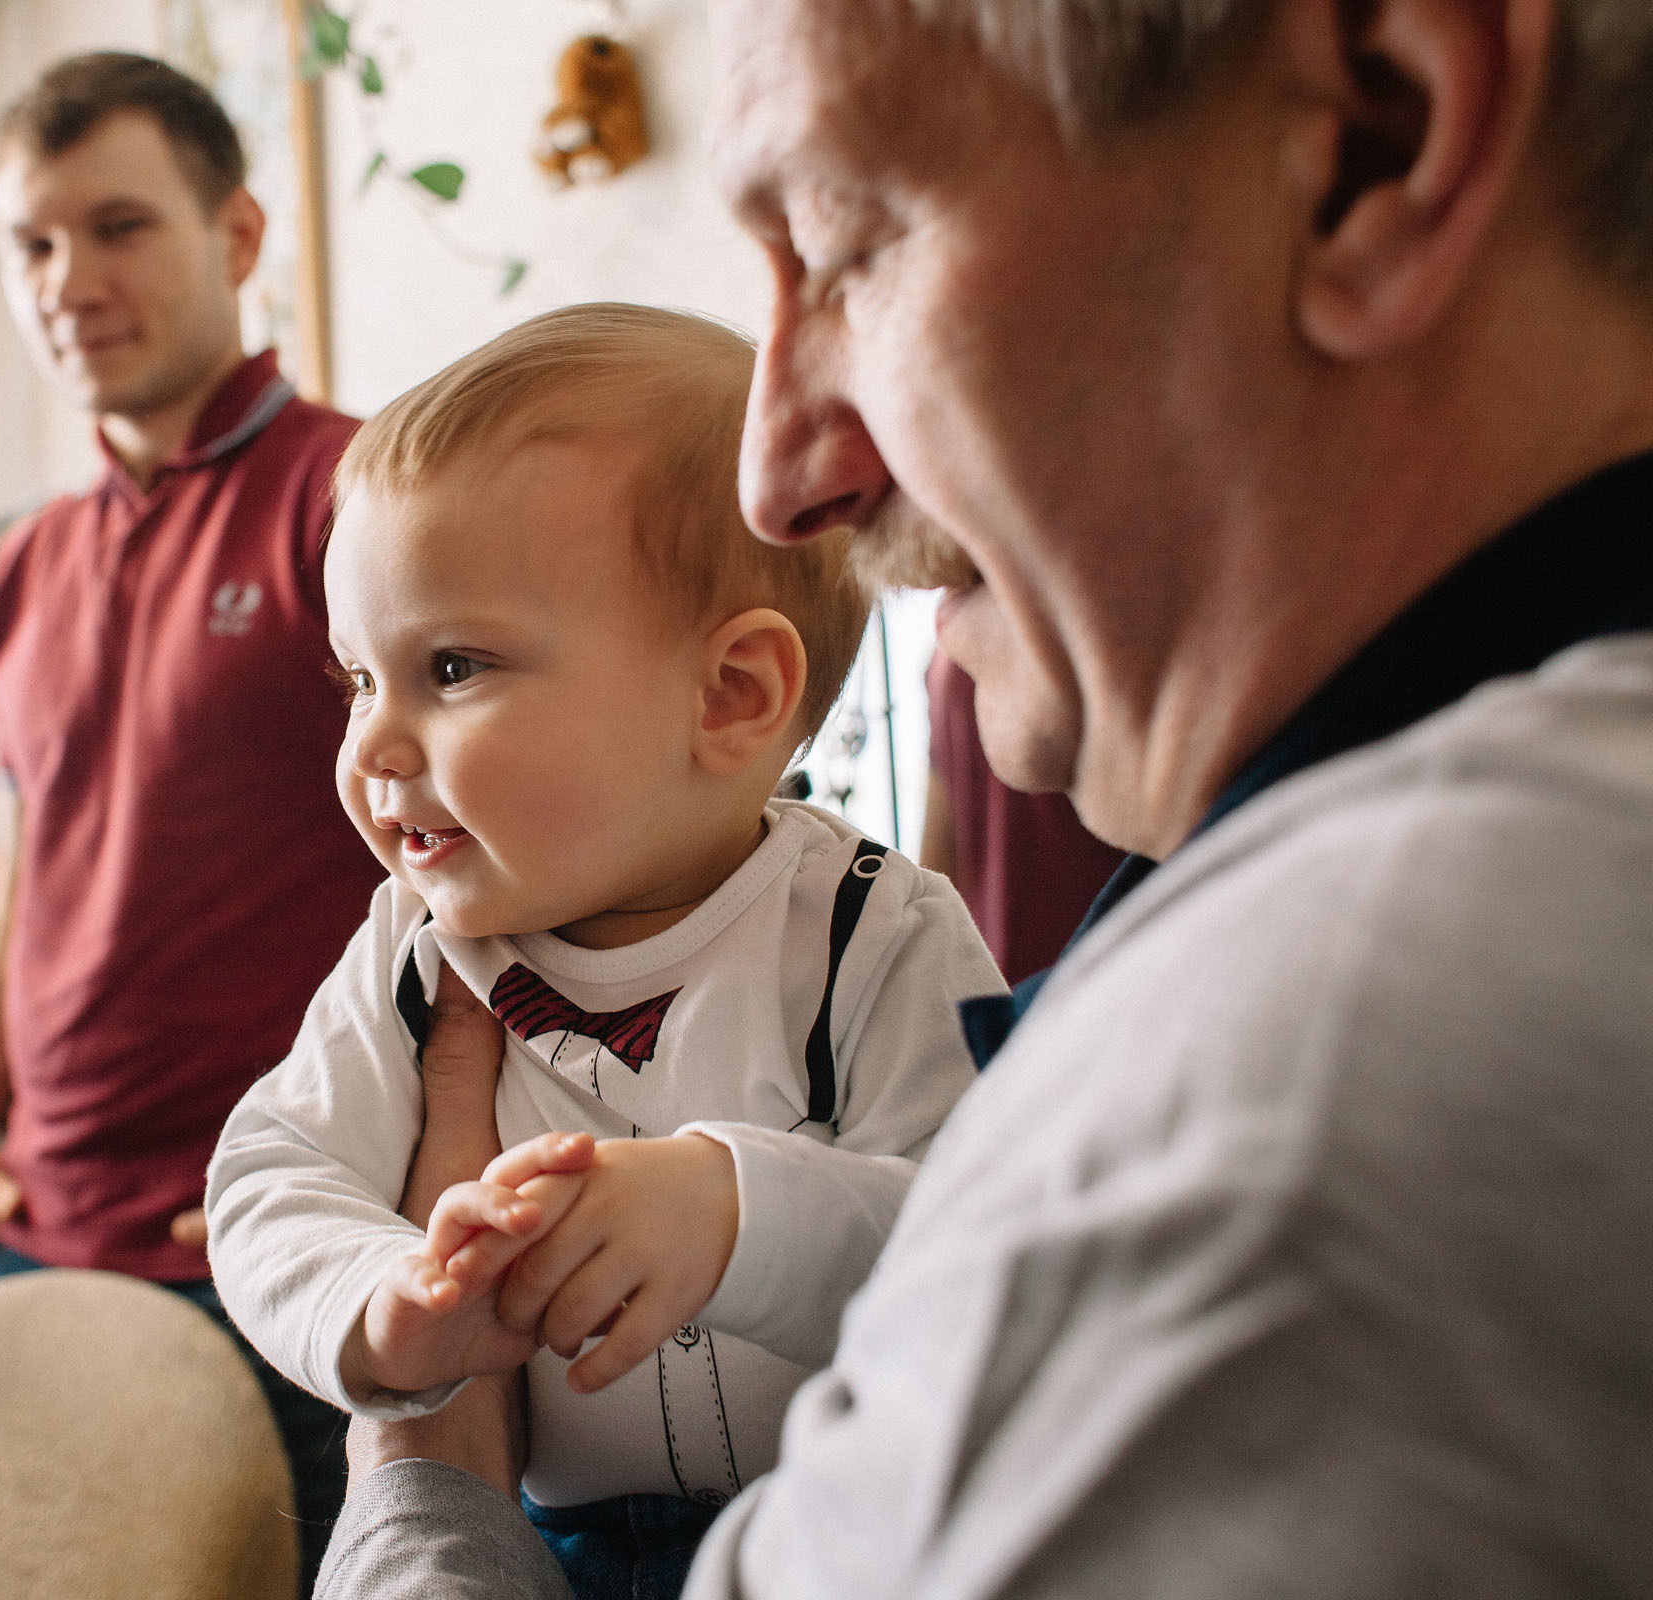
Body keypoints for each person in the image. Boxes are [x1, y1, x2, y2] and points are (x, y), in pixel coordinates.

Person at [312, 0, 1653, 1593]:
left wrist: (422, 1476)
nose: (784, 471)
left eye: (847, 241)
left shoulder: (1316, 1070)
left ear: (1370, 149)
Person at [206, 305, 1001, 1600]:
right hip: (544, 1546)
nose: (371, 749)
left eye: (451, 667)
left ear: (731, 696)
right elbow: (270, 1174)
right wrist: (385, 1299)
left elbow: (980, 1245)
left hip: (847, 1534)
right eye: (360, 679)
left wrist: (733, 1211)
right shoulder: (416, 953)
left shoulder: (873, 929)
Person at [0, 52, 380, 1587]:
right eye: (33, 244)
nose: (68, 280)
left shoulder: (356, 492)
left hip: (263, 1235)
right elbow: (41, 864)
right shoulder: (24, 565)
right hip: (42, 1216)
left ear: (237, 237)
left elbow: (476, 868)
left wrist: (388, 1160)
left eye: (117, 227)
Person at [919, 650, 1126, 982]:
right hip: (1095, 971)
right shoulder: (1085, 648)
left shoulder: (947, 660)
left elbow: (936, 861)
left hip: (1005, 983)